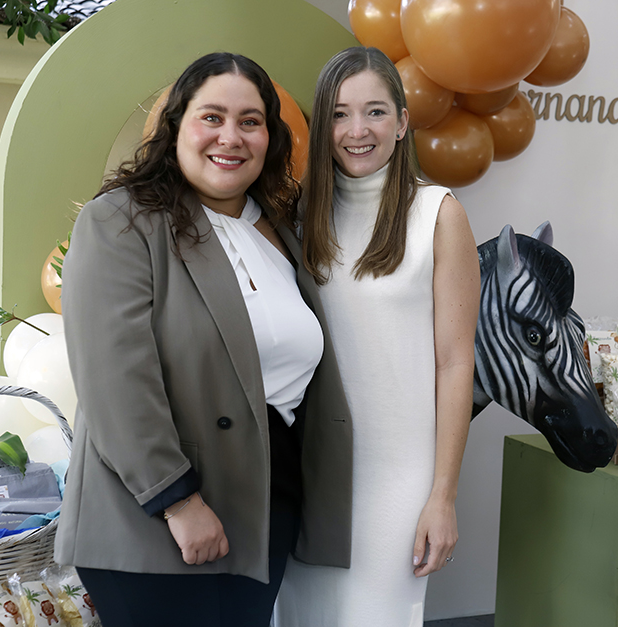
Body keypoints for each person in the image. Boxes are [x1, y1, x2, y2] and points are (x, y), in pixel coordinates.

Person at [54, 52, 352, 627]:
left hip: (265, 501)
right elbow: (117, 383)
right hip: (159, 513)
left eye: (250, 121)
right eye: (211, 117)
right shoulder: (120, 221)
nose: (230, 137)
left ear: (271, 137)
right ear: (175, 127)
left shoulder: (279, 232)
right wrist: (178, 501)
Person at [273, 47, 480, 626]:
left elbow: (454, 364)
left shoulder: (438, 214)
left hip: (399, 478)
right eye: (339, 114)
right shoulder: (295, 215)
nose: (357, 131)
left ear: (403, 122)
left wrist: (443, 495)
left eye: (375, 112)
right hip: (310, 469)